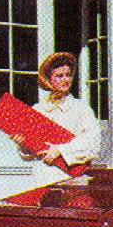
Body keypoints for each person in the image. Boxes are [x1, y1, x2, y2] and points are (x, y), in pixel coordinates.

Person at [12, 52, 100, 187]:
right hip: (42, 177)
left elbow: (92, 143)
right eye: (59, 76)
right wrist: (23, 144)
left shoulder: (81, 109)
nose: (66, 80)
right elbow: (31, 151)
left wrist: (61, 151)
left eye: (68, 75)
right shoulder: (38, 109)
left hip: (70, 177)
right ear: (48, 79)